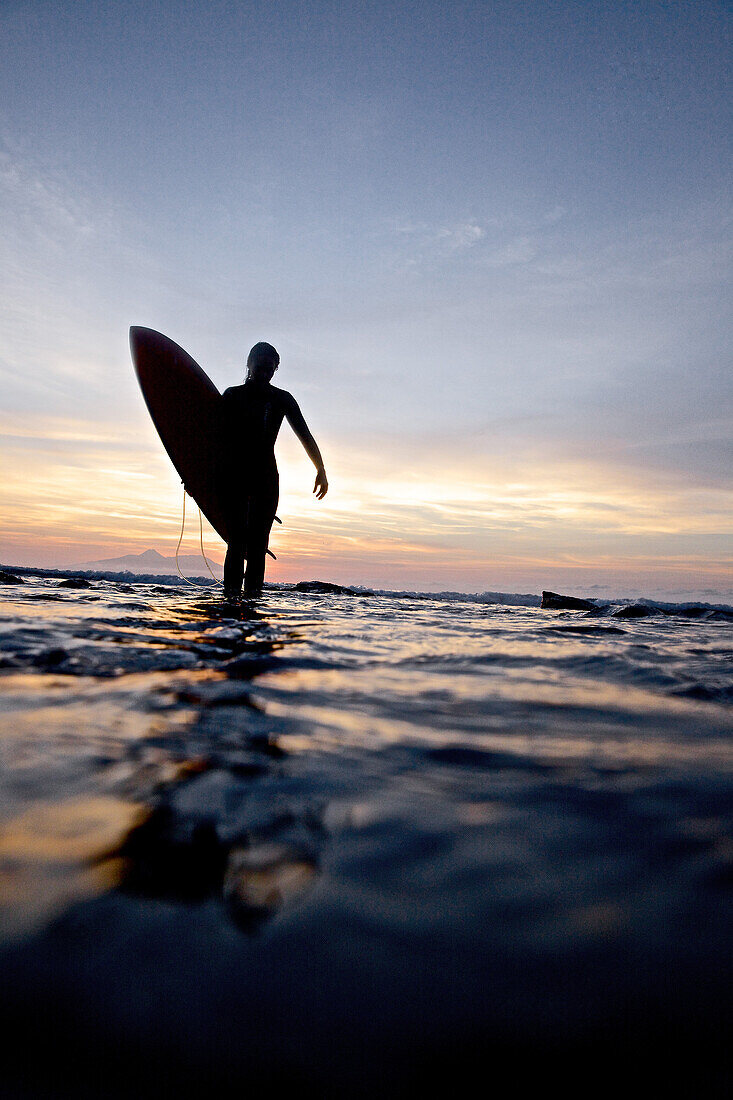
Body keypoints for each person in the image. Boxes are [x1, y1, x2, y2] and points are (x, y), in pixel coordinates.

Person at [220, 341, 328, 599]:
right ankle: (230, 603)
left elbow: (304, 434)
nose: (265, 373)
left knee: (258, 545)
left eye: (271, 369)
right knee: (235, 543)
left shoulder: (281, 399)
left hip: (266, 477)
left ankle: (254, 604)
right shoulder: (232, 396)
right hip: (235, 474)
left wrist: (320, 468)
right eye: (261, 367)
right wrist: (193, 475)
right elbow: (213, 438)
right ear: (249, 363)